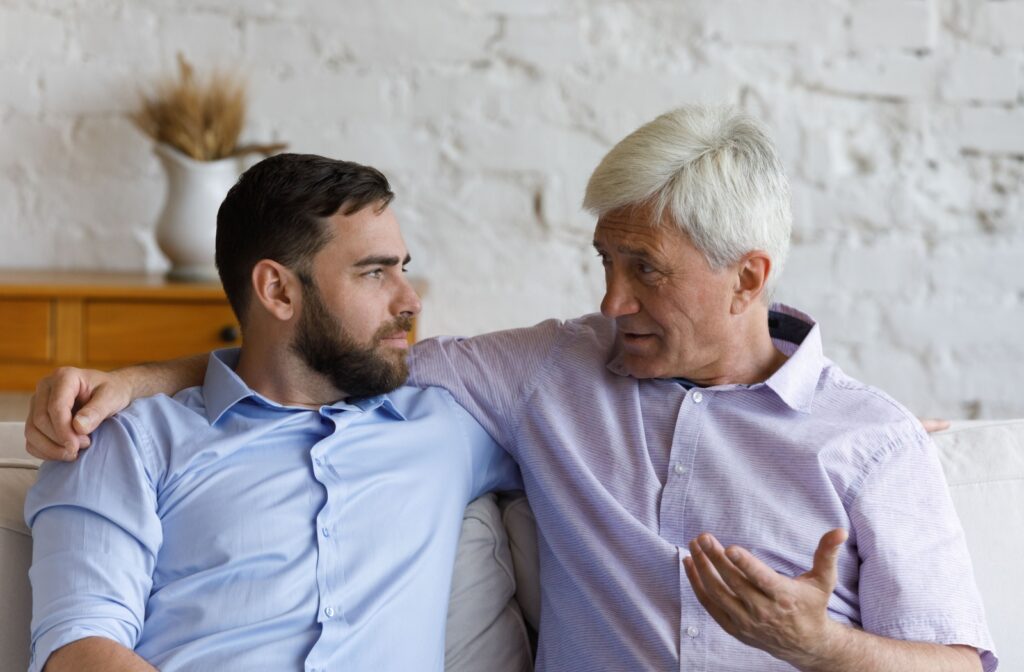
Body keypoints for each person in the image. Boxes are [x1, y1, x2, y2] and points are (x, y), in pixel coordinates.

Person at [27, 105, 995, 671]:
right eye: (604, 262)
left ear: (749, 276)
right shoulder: (547, 378)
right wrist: (136, 380)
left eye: (644, 270)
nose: (610, 300)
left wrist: (820, 643)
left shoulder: (864, 440)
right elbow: (313, 368)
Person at [23, 154, 520, 672]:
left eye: (403, 268)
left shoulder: (449, 424)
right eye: (374, 272)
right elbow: (79, 650)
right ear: (278, 290)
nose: (410, 300)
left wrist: (136, 376)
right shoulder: (127, 441)